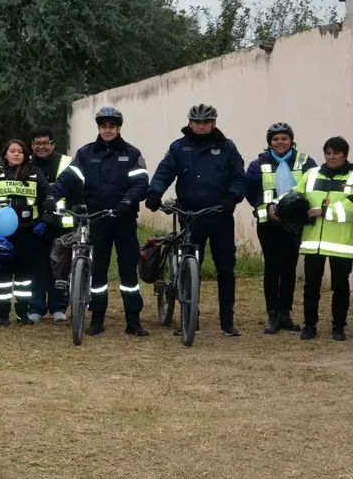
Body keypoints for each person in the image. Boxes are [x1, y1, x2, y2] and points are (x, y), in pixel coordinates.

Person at [44, 107, 150, 336]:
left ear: (119, 128)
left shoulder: (132, 154)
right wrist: (53, 196)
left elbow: (141, 183)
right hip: (97, 220)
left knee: (128, 273)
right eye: (104, 126)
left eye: (112, 126)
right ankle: (97, 320)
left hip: (124, 220)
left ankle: (133, 321)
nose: (108, 129)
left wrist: (127, 202)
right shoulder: (85, 154)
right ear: (99, 128)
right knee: (98, 272)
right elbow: (67, 178)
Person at [145, 103, 246, 337]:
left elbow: (239, 178)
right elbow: (164, 172)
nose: (201, 126)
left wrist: (232, 197)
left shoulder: (227, 148)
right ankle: (191, 319)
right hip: (190, 216)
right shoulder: (179, 147)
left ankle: (227, 322)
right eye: (197, 122)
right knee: (189, 267)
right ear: (190, 123)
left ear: (214, 124)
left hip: (220, 215)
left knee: (225, 269)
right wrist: (154, 192)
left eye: (206, 122)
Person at [245, 122, 317, 334]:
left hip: (293, 225)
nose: (280, 142)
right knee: (272, 268)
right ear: (269, 142)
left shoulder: (306, 162)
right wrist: (267, 208)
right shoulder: (257, 164)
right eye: (275, 139)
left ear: (291, 140)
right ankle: (273, 314)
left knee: (289, 269)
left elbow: (312, 187)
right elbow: (251, 193)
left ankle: (286, 312)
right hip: (269, 224)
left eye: (284, 138)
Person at [283, 137, 353, 341]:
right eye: (328, 153)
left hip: (342, 243)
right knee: (310, 286)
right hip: (313, 243)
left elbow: (350, 207)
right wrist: (279, 206)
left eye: (336, 153)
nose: (331, 157)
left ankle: (339, 326)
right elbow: (296, 195)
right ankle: (309, 325)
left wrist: (322, 211)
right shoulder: (311, 174)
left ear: (345, 154)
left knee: (340, 287)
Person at [0, 139, 50, 327]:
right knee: (2, 278)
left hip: (28, 232)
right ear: (5, 154)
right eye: (12, 151)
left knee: (24, 278)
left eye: (20, 151)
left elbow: (48, 201)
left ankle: (22, 315)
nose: (16, 154)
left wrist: (43, 222)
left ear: (25, 155)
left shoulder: (36, 173)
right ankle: (3, 316)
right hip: (2, 235)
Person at [29, 126, 74, 322]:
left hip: (62, 224)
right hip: (35, 225)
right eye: (37, 143)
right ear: (32, 145)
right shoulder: (26, 164)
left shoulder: (67, 162)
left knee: (60, 267)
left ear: (53, 144)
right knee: (38, 268)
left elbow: (76, 189)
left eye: (45, 143)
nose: (41, 147)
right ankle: (36, 308)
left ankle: (58, 307)